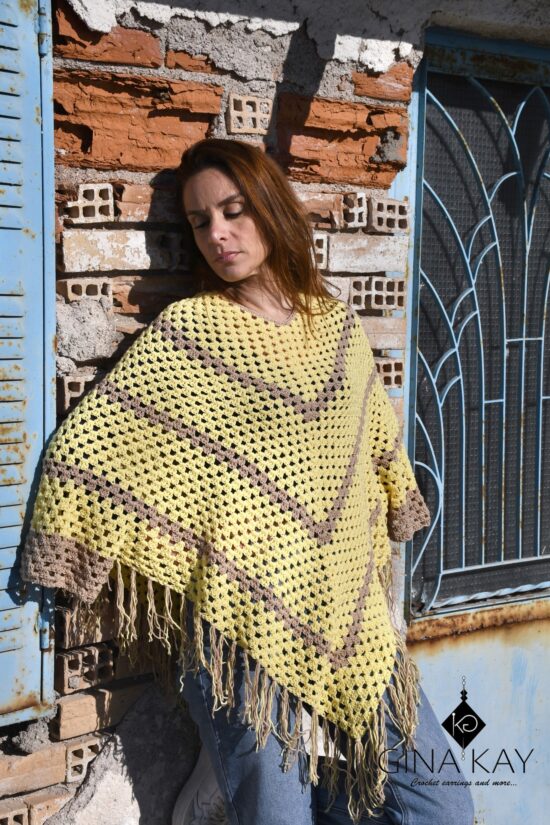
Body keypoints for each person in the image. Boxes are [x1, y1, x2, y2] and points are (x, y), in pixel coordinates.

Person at [21, 138, 475, 825]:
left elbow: (371, 443)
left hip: (352, 623)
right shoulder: (190, 334)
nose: (218, 234)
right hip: (237, 636)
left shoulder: (337, 327)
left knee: (440, 804)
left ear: (270, 207)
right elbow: (87, 450)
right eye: (200, 221)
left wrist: (396, 499)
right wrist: (67, 555)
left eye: (233, 211)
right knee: (278, 815)